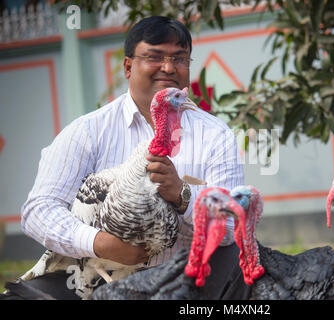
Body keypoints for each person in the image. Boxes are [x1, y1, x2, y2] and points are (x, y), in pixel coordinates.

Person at [1, 16, 249, 300]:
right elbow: (38, 211)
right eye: (154, 57)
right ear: (128, 66)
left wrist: (184, 196)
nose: (168, 67)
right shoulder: (88, 132)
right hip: (93, 276)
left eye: (179, 58)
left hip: (181, 282)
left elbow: (232, 227)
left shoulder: (215, 135)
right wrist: (99, 242)